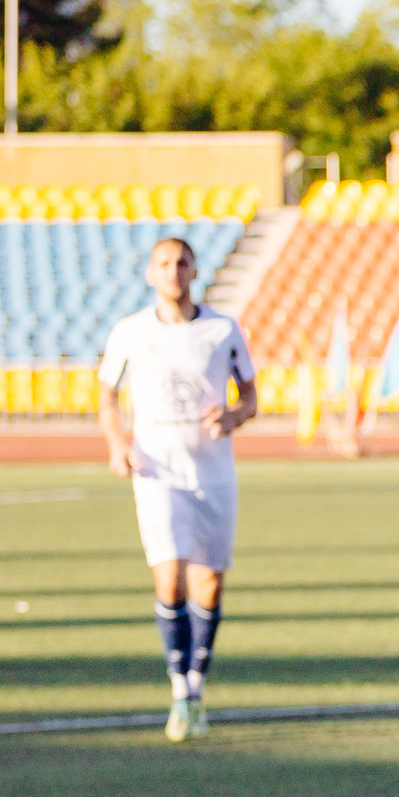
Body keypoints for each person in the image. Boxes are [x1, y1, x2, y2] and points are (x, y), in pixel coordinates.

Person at [96, 236, 257, 742]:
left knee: (209, 584)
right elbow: (106, 394)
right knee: (170, 581)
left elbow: (250, 395)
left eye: (181, 262)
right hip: (157, 472)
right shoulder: (130, 332)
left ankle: (195, 683)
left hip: (212, 473)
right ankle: (179, 691)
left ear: (194, 270)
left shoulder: (221, 329)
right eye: (163, 263)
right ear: (150, 273)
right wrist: (118, 442)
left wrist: (232, 415)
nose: (172, 270)